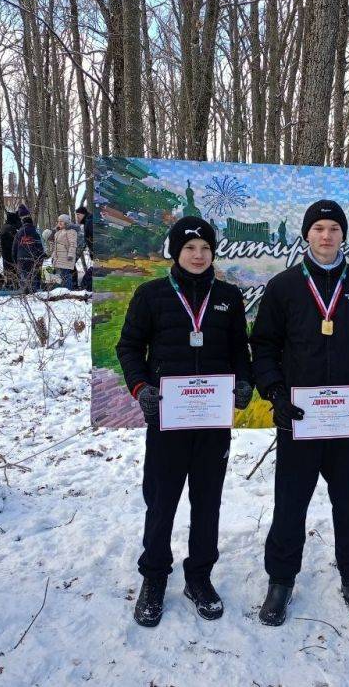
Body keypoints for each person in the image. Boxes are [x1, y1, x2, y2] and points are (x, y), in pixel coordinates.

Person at [250, 200, 349, 629]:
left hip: (346, 418)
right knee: (290, 502)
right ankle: (280, 581)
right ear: (306, 235)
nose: (326, 235)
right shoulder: (285, 285)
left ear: (343, 235)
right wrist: (275, 390)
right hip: (299, 417)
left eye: (333, 228)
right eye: (319, 228)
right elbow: (265, 344)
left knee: (348, 501)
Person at [116, 217, 254, 627]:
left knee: (207, 501)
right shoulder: (151, 295)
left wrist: (244, 381)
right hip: (167, 419)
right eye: (190, 249)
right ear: (176, 252)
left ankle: (199, 577)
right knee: (161, 502)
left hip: (212, 423)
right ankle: (154, 577)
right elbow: (128, 348)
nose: (198, 256)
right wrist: (142, 390)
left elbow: (238, 350)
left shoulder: (228, 296)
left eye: (205, 249)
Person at [12, 214, 45, 293]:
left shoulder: (19, 233)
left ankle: (24, 293)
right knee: (32, 276)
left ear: (23, 223)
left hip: (21, 258)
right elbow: (39, 247)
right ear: (32, 223)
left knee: (23, 277)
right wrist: (40, 258)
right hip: (32, 258)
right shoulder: (35, 233)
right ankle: (33, 293)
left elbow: (14, 248)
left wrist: (14, 259)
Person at [50, 214, 78, 290]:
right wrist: (52, 256)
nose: (59, 223)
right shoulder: (59, 232)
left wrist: (70, 255)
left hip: (66, 257)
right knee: (57, 276)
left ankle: (68, 291)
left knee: (65, 275)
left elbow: (73, 244)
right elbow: (55, 246)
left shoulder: (71, 231)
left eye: (61, 221)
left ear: (66, 222)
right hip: (58, 258)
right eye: (58, 221)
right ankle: (57, 291)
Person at [0, 210, 21, 288]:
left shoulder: (6, 227)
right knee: (12, 272)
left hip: (7, 256)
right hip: (11, 257)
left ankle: (11, 285)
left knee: (8, 272)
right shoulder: (10, 229)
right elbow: (15, 244)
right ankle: (12, 286)